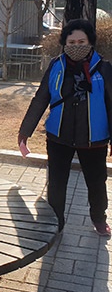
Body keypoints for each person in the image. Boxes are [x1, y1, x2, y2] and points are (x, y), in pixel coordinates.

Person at [18, 19, 112, 236]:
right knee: (57, 183)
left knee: (97, 182)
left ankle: (99, 218)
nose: (76, 45)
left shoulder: (105, 69)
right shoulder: (55, 66)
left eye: (82, 41)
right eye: (72, 41)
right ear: (64, 43)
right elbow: (41, 98)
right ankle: (55, 221)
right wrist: (25, 131)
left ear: (90, 42)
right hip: (59, 136)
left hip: (94, 139)